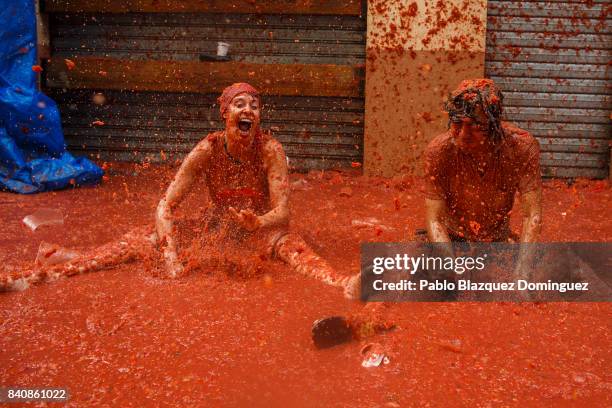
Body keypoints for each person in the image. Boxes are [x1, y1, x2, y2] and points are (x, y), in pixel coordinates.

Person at [1, 83, 359, 299]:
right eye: (240, 104)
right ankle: (38, 274)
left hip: (259, 231)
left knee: (292, 245)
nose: (248, 110)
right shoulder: (207, 149)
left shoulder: (271, 150)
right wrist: (171, 256)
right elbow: (165, 207)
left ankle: (342, 282)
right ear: (225, 113)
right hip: (217, 228)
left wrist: (258, 221)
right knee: (141, 241)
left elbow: (282, 212)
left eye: (254, 106)